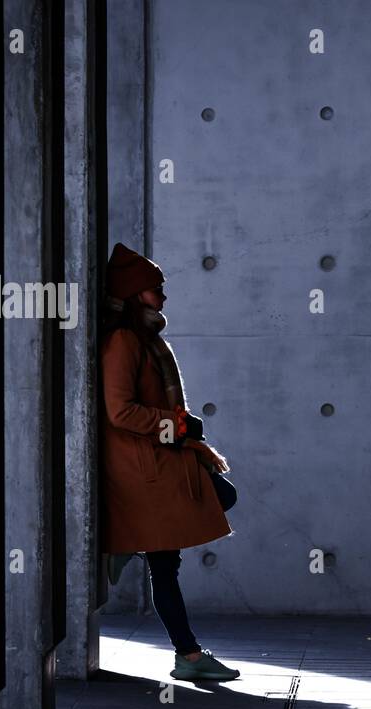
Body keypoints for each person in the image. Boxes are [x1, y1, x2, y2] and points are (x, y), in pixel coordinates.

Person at [100, 242, 240, 681]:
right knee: (170, 557)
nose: (163, 295)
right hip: (145, 470)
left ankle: (126, 544)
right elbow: (119, 411)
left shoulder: (145, 338)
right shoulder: (124, 341)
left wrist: (180, 429)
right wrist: (178, 427)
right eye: (155, 288)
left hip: (161, 461)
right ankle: (189, 656)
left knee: (219, 497)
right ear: (134, 293)